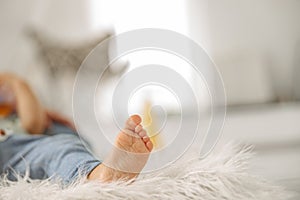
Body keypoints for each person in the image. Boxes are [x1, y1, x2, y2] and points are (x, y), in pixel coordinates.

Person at [0, 73, 153, 184]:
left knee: (65, 143)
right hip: (12, 144)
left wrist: (16, 83)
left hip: (46, 138)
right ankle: (98, 175)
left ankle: (98, 173)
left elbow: (33, 123)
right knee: (57, 148)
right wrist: (16, 81)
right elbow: (33, 125)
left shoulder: (13, 106)